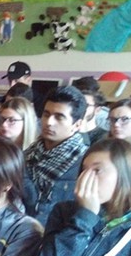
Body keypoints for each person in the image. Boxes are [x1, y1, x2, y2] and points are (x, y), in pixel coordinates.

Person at [22, 86, 90, 228]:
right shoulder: (27, 155)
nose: (49, 122)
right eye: (46, 114)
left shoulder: (85, 163)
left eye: (59, 117)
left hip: (57, 235)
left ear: (77, 125)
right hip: (22, 231)